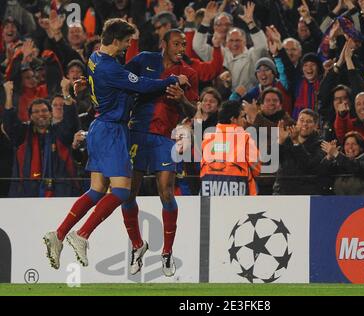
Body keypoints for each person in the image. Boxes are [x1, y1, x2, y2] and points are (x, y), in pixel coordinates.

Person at [43, 19, 187, 273]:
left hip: (99, 128)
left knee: (97, 189)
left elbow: (100, 77)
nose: (127, 47)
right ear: (117, 40)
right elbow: (143, 85)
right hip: (112, 130)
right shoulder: (112, 68)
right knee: (121, 192)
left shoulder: (94, 58)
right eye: (126, 42)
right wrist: (171, 79)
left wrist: (87, 83)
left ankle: (59, 233)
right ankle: (83, 234)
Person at [124, 29, 198, 277]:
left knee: (166, 193)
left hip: (165, 139)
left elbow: (193, 110)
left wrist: (181, 98)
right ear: (163, 44)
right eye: (176, 43)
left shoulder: (189, 73)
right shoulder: (144, 60)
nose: (181, 48)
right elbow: (123, 80)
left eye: (184, 44)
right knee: (126, 193)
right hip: (136, 134)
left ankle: (167, 252)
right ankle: (137, 245)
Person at [200, 100, 261, 196]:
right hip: (239, 192)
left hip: (209, 191)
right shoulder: (245, 138)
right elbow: (256, 169)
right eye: (242, 117)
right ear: (233, 119)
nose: (244, 120)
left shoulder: (208, 139)